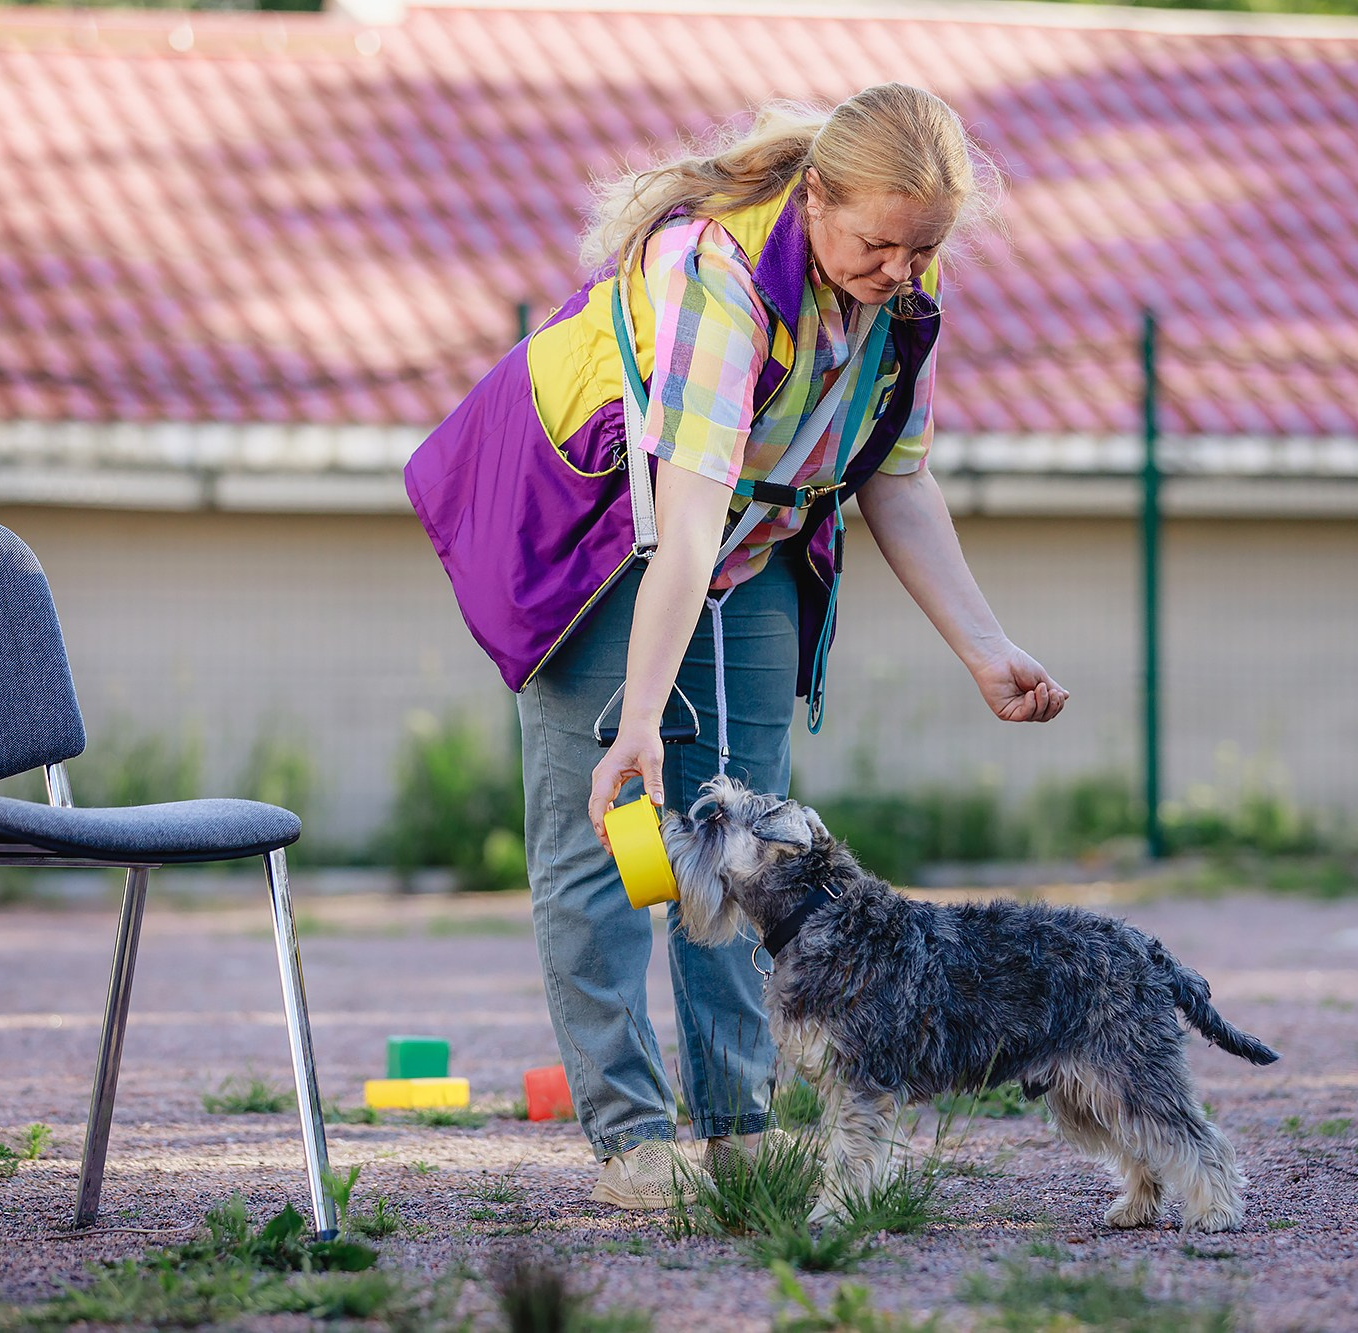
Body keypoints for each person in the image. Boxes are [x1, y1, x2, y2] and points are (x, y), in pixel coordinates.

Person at [404, 83, 1069, 1206]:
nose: (901, 268)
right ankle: (630, 1137)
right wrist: (643, 725)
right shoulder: (715, 275)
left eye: (923, 247)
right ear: (814, 199)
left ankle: (736, 1121)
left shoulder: (904, 286)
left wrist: (983, 647)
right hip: (599, 529)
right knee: (612, 837)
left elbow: (895, 483)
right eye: (878, 242)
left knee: (752, 836)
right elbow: (685, 516)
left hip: (751, 539)